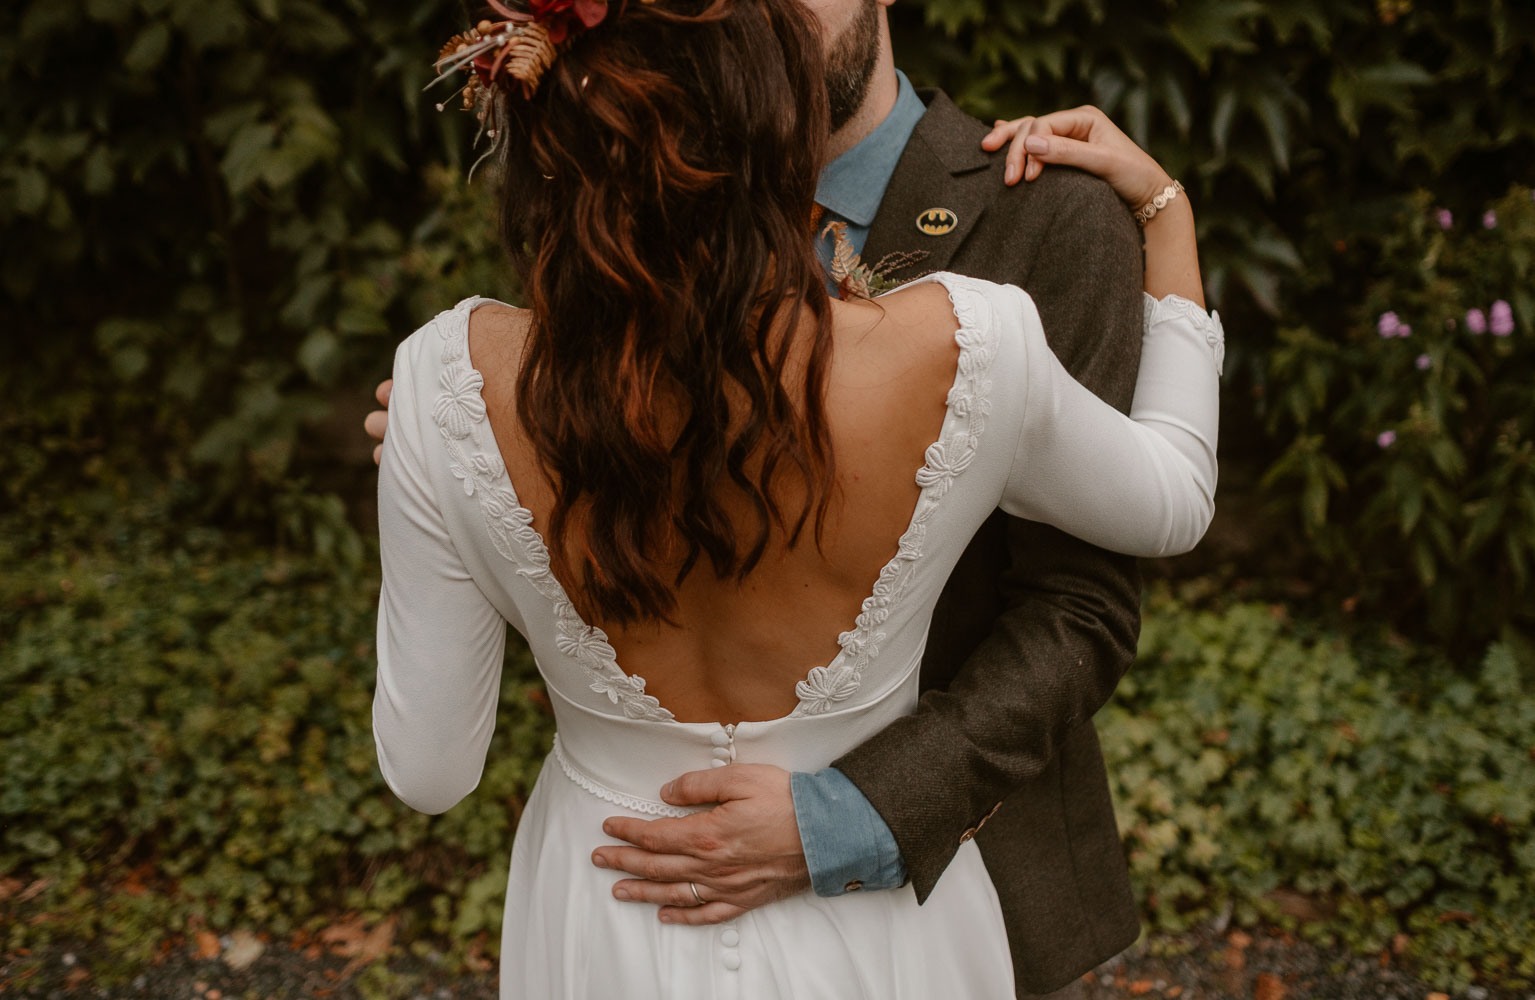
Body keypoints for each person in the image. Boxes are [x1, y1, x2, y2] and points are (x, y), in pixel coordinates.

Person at [370, 0, 1220, 996]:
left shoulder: (1050, 213)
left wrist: (1163, 211)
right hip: (817, 935)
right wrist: (453, 469)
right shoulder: (966, 335)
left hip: (804, 878)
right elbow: (1172, 494)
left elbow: (1080, 603)